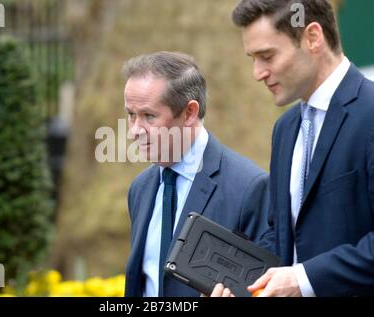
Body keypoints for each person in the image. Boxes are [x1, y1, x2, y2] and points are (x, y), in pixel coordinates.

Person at [213, 0, 374, 297]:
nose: (258, 73)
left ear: (312, 37)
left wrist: (303, 280)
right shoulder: (285, 129)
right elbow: (280, 235)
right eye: (253, 58)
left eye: (267, 56)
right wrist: (239, 286)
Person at [122, 51, 270, 297]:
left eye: (149, 116)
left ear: (190, 113)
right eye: (130, 115)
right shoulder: (140, 188)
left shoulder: (249, 189)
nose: (135, 130)